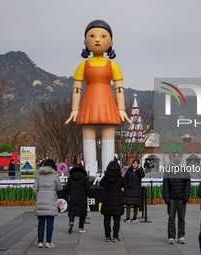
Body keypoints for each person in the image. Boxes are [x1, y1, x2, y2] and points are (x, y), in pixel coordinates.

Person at [65, 20, 131, 177]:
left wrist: (121, 109)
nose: (97, 39)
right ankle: (90, 173)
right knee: (88, 138)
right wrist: (75, 109)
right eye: (92, 36)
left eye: (103, 36)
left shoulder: (113, 65)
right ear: (85, 42)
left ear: (111, 42)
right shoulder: (83, 65)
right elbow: (76, 88)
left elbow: (119, 88)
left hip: (108, 103)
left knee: (109, 139)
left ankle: (109, 173)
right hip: (88, 102)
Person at [32, 159, 63, 248]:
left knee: (40, 223)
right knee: (50, 223)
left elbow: (34, 189)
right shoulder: (55, 176)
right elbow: (59, 188)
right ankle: (48, 242)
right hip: (51, 200)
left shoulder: (39, 175)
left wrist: (39, 196)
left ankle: (40, 242)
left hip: (41, 200)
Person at [163, 151, 190, 244]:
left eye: (178, 156)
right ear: (172, 158)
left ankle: (181, 236)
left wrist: (186, 197)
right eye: (175, 156)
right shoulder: (168, 170)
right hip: (171, 198)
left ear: (181, 158)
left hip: (182, 198)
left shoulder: (184, 170)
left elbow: (187, 185)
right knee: (171, 218)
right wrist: (166, 198)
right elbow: (165, 186)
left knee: (181, 218)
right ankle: (171, 236)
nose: (177, 158)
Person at [100, 161, 125, 243]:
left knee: (106, 219)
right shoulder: (120, 178)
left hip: (107, 201)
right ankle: (115, 237)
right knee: (117, 220)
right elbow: (124, 184)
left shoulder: (105, 177)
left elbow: (101, 184)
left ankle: (107, 236)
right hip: (117, 201)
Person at [66, 164, 90, 234]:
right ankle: (81, 227)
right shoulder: (85, 177)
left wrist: (70, 193)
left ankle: (71, 222)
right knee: (82, 212)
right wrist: (87, 194)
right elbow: (87, 188)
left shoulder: (70, 178)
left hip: (73, 196)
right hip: (82, 197)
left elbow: (67, 188)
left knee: (72, 211)